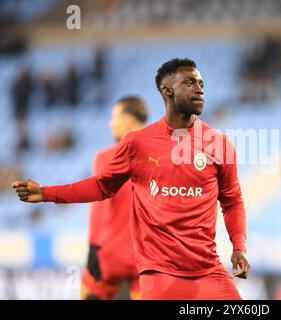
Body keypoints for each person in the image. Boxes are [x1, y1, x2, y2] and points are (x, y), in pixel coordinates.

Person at [12, 58, 250, 300]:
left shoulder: (218, 143)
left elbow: (232, 200)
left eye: (201, 83)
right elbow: (101, 186)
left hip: (208, 271)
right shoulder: (138, 144)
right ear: (167, 90)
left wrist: (239, 247)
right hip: (160, 274)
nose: (199, 88)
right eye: (189, 82)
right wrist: (47, 193)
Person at [80, 96, 149, 300]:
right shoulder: (162, 156)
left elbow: (98, 212)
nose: (110, 123)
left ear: (127, 120)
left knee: (86, 294)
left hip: (111, 255)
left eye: (113, 117)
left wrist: (93, 252)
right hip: (146, 257)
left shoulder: (105, 158)